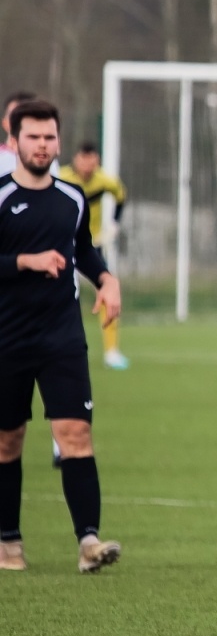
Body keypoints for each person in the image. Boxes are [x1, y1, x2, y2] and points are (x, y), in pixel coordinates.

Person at [0, 99, 122, 573]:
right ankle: (8, 541)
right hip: (7, 338)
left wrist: (107, 279)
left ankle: (88, 542)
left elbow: (84, 253)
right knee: (8, 441)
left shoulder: (73, 198)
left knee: (75, 434)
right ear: (14, 142)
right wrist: (24, 262)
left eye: (50, 136)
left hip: (61, 336)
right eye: (33, 137)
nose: (43, 145)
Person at [58, 142, 129, 370]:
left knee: (108, 290)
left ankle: (112, 351)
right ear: (76, 159)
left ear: (96, 160)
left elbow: (121, 194)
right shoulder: (62, 177)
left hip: (91, 246)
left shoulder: (104, 180)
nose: (88, 165)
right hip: (62, 245)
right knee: (59, 294)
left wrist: (115, 224)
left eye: (92, 159)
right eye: (84, 159)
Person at [0, 91, 36, 178]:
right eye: (15, 115)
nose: (21, 121)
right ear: (4, 122)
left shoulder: (45, 159)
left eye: (28, 115)